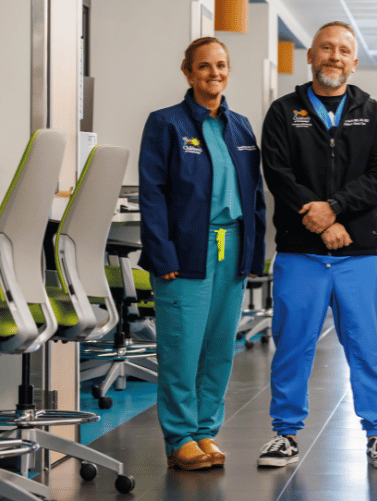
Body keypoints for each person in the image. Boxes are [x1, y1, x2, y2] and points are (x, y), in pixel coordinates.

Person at [258, 21, 377, 469]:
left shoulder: (373, 113)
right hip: (301, 253)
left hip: (356, 254)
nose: (334, 56)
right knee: (293, 343)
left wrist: (334, 209)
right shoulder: (284, 112)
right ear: (310, 56)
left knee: (366, 343)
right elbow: (278, 175)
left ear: (354, 62)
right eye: (326, 48)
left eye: (343, 50)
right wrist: (320, 223)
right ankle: (284, 433)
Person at [139, 37, 266, 470]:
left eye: (222, 65)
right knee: (182, 348)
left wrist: (254, 254)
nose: (215, 73)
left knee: (218, 349)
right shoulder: (166, 124)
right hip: (187, 249)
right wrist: (162, 253)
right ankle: (179, 438)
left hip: (232, 248)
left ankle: (206, 431)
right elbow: (152, 193)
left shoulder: (242, 127)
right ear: (188, 71)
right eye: (206, 66)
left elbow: (254, 197)